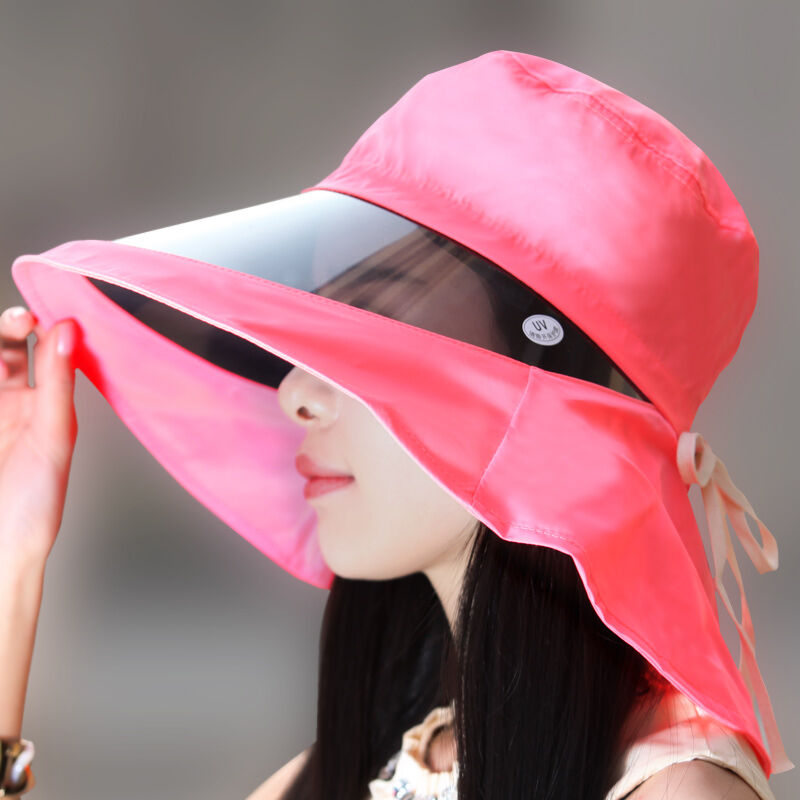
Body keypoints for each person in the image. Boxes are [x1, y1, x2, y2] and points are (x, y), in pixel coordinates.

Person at [1, 50, 792, 799]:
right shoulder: (380, 759)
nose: (294, 393)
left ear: (547, 393)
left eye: (369, 330)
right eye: (316, 329)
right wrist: (14, 559)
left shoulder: (674, 789)